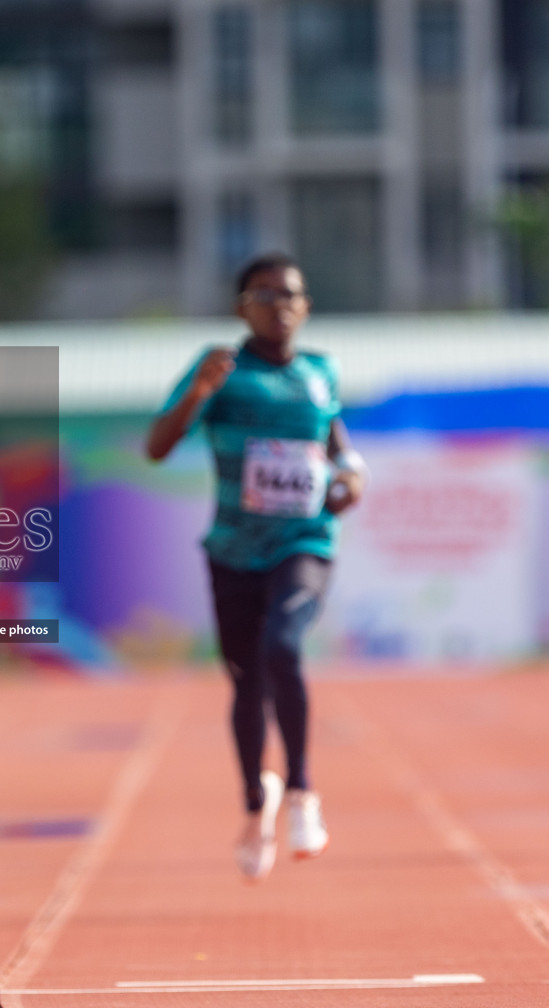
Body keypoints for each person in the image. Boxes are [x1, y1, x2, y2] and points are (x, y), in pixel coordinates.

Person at [146, 253, 365, 882]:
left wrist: (350, 482)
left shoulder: (321, 372)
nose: (279, 306)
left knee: (284, 647)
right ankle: (254, 803)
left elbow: (340, 449)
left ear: (306, 306)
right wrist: (197, 393)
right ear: (242, 307)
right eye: (264, 296)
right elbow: (158, 448)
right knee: (246, 683)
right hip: (234, 551)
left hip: (305, 540)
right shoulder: (221, 368)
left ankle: (300, 791)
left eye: (290, 295)